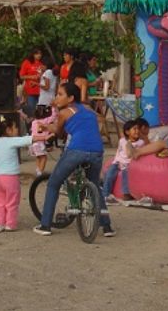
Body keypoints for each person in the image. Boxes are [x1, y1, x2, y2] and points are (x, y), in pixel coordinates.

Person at [33, 83, 115, 237]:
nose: (57, 97)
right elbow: (96, 120)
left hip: (77, 150)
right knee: (95, 185)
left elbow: (58, 131)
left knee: (53, 183)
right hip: (97, 151)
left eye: (60, 94)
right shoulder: (89, 109)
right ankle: (107, 226)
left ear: (70, 98)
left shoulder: (65, 112)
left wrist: (45, 128)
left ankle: (45, 225)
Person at [0, 115, 50, 233]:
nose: (17, 129)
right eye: (15, 127)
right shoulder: (12, 141)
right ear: (8, 130)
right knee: (12, 201)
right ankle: (10, 224)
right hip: (10, 177)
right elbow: (28, 139)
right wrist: (44, 136)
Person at [103, 120, 144, 203]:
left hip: (129, 164)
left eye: (138, 129)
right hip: (117, 163)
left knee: (126, 174)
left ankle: (126, 193)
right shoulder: (122, 141)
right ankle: (105, 194)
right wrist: (116, 161)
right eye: (134, 129)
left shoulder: (141, 142)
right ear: (127, 132)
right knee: (109, 175)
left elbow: (132, 155)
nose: (137, 131)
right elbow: (119, 152)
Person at [29, 105, 55, 176]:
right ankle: (40, 172)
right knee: (44, 157)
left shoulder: (33, 122)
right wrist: (53, 107)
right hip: (40, 144)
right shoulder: (46, 120)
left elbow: (32, 130)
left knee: (38, 157)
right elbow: (53, 117)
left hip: (33, 143)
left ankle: (38, 169)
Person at [20, 48, 44, 115]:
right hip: (30, 90)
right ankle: (31, 124)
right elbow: (21, 76)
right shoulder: (27, 62)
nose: (39, 55)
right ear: (33, 54)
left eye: (40, 54)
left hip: (41, 90)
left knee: (40, 111)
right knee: (32, 110)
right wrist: (31, 77)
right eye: (37, 53)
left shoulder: (42, 64)